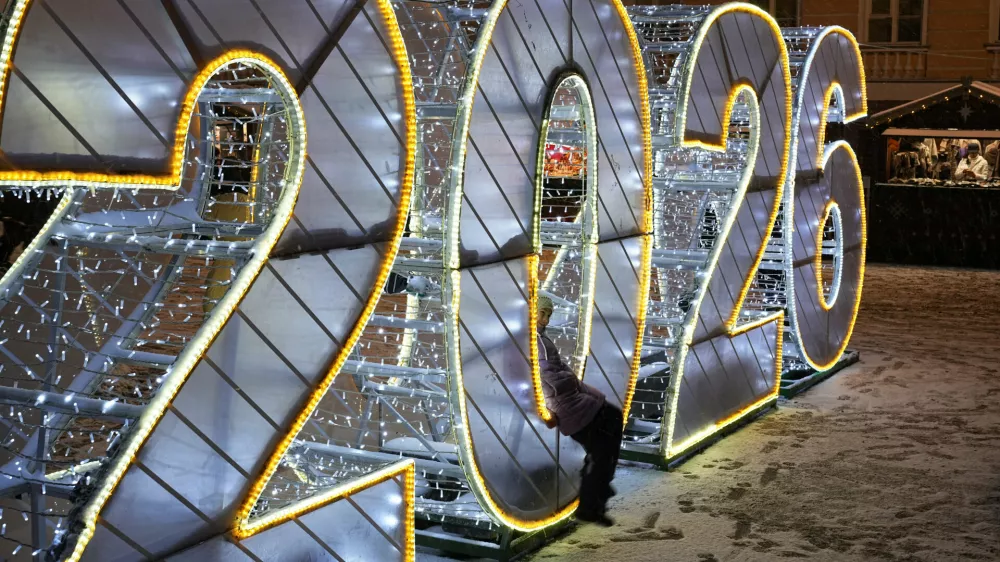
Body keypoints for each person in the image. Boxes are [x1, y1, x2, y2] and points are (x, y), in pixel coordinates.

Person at [536, 295, 622, 527]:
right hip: (569, 409)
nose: (545, 319)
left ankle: (598, 489)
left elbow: (563, 376)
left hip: (573, 404)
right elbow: (553, 379)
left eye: (548, 314)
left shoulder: (540, 340)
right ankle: (594, 497)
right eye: (541, 313)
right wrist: (574, 384)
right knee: (606, 439)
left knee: (608, 433)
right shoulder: (535, 343)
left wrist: (591, 393)